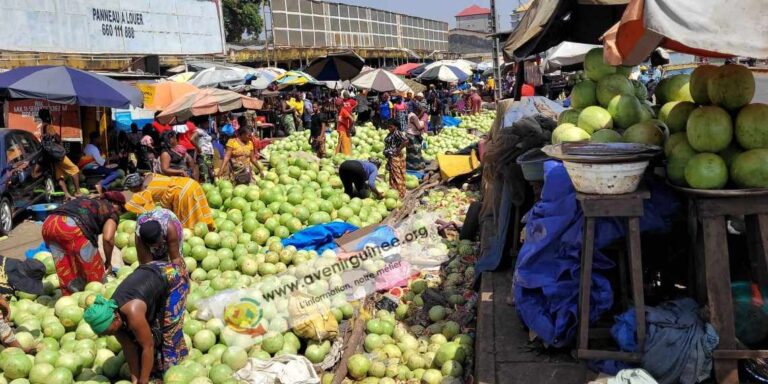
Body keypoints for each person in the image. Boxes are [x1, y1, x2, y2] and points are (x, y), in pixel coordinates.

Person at [83, 211, 189, 382]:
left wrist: (143, 381)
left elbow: (147, 346)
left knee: (168, 328)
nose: (107, 335)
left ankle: (174, 363)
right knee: (146, 331)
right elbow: (128, 347)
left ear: (116, 319)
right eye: (103, 333)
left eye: (107, 331)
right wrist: (134, 377)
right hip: (151, 273)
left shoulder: (132, 312)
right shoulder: (111, 316)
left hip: (173, 278)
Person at [42, 192, 125, 295]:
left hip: (49, 223)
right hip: (70, 227)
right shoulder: (111, 210)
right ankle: (95, 301)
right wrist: (108, 261)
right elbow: (108, 238)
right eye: (121, 210)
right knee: (94, 273)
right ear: (115, 203)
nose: (120, 213)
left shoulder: (89, 201)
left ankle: (70, 298)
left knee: (65, 266)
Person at [124, 173, 215, 231]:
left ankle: (197, 238)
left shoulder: (144, 192)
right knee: (200, 211)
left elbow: (131, 206)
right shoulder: (150, 175)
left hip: (183, 192)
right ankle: (209, 228)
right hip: (191, 183)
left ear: (133, 188)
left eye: (130, 189)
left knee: (189, 224)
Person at [0, 256, 46, 353]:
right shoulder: (5, 288)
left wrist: (4, 304)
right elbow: (2, 328)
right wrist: (20, 351)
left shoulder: (5, 263)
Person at [38, 109, 81, 199]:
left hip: (51, 155)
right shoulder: (48, 126)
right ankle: (78, 192)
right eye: (50, 115)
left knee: (59, 175)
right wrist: (58, 137)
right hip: (58, 154)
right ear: (48, 116)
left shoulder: (42, 127)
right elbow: (57, 138)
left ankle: (67, 194)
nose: (51, 116)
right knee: (75, 169)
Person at [383, 119, 408, 197]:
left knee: (397, 175)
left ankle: (399, 193)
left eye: (391, 127)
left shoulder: (397, 133)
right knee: (393, 175)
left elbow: (406, 141)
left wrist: (398, 150)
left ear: (395, 126)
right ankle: (394, 191)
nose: (389, 128)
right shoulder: (391, 133)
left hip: (395, 157)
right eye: (388, 127)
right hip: (391, 157)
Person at [191, 119, 215, 184]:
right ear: (202, 123)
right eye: (207, 123)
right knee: (205, 173)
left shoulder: (204, 131)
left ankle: (210, 186)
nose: (208, 124)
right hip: (203, 155)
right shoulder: (199, 130)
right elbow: (192, 139)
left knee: (211, 172)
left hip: (208, 155)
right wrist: (198, 148)